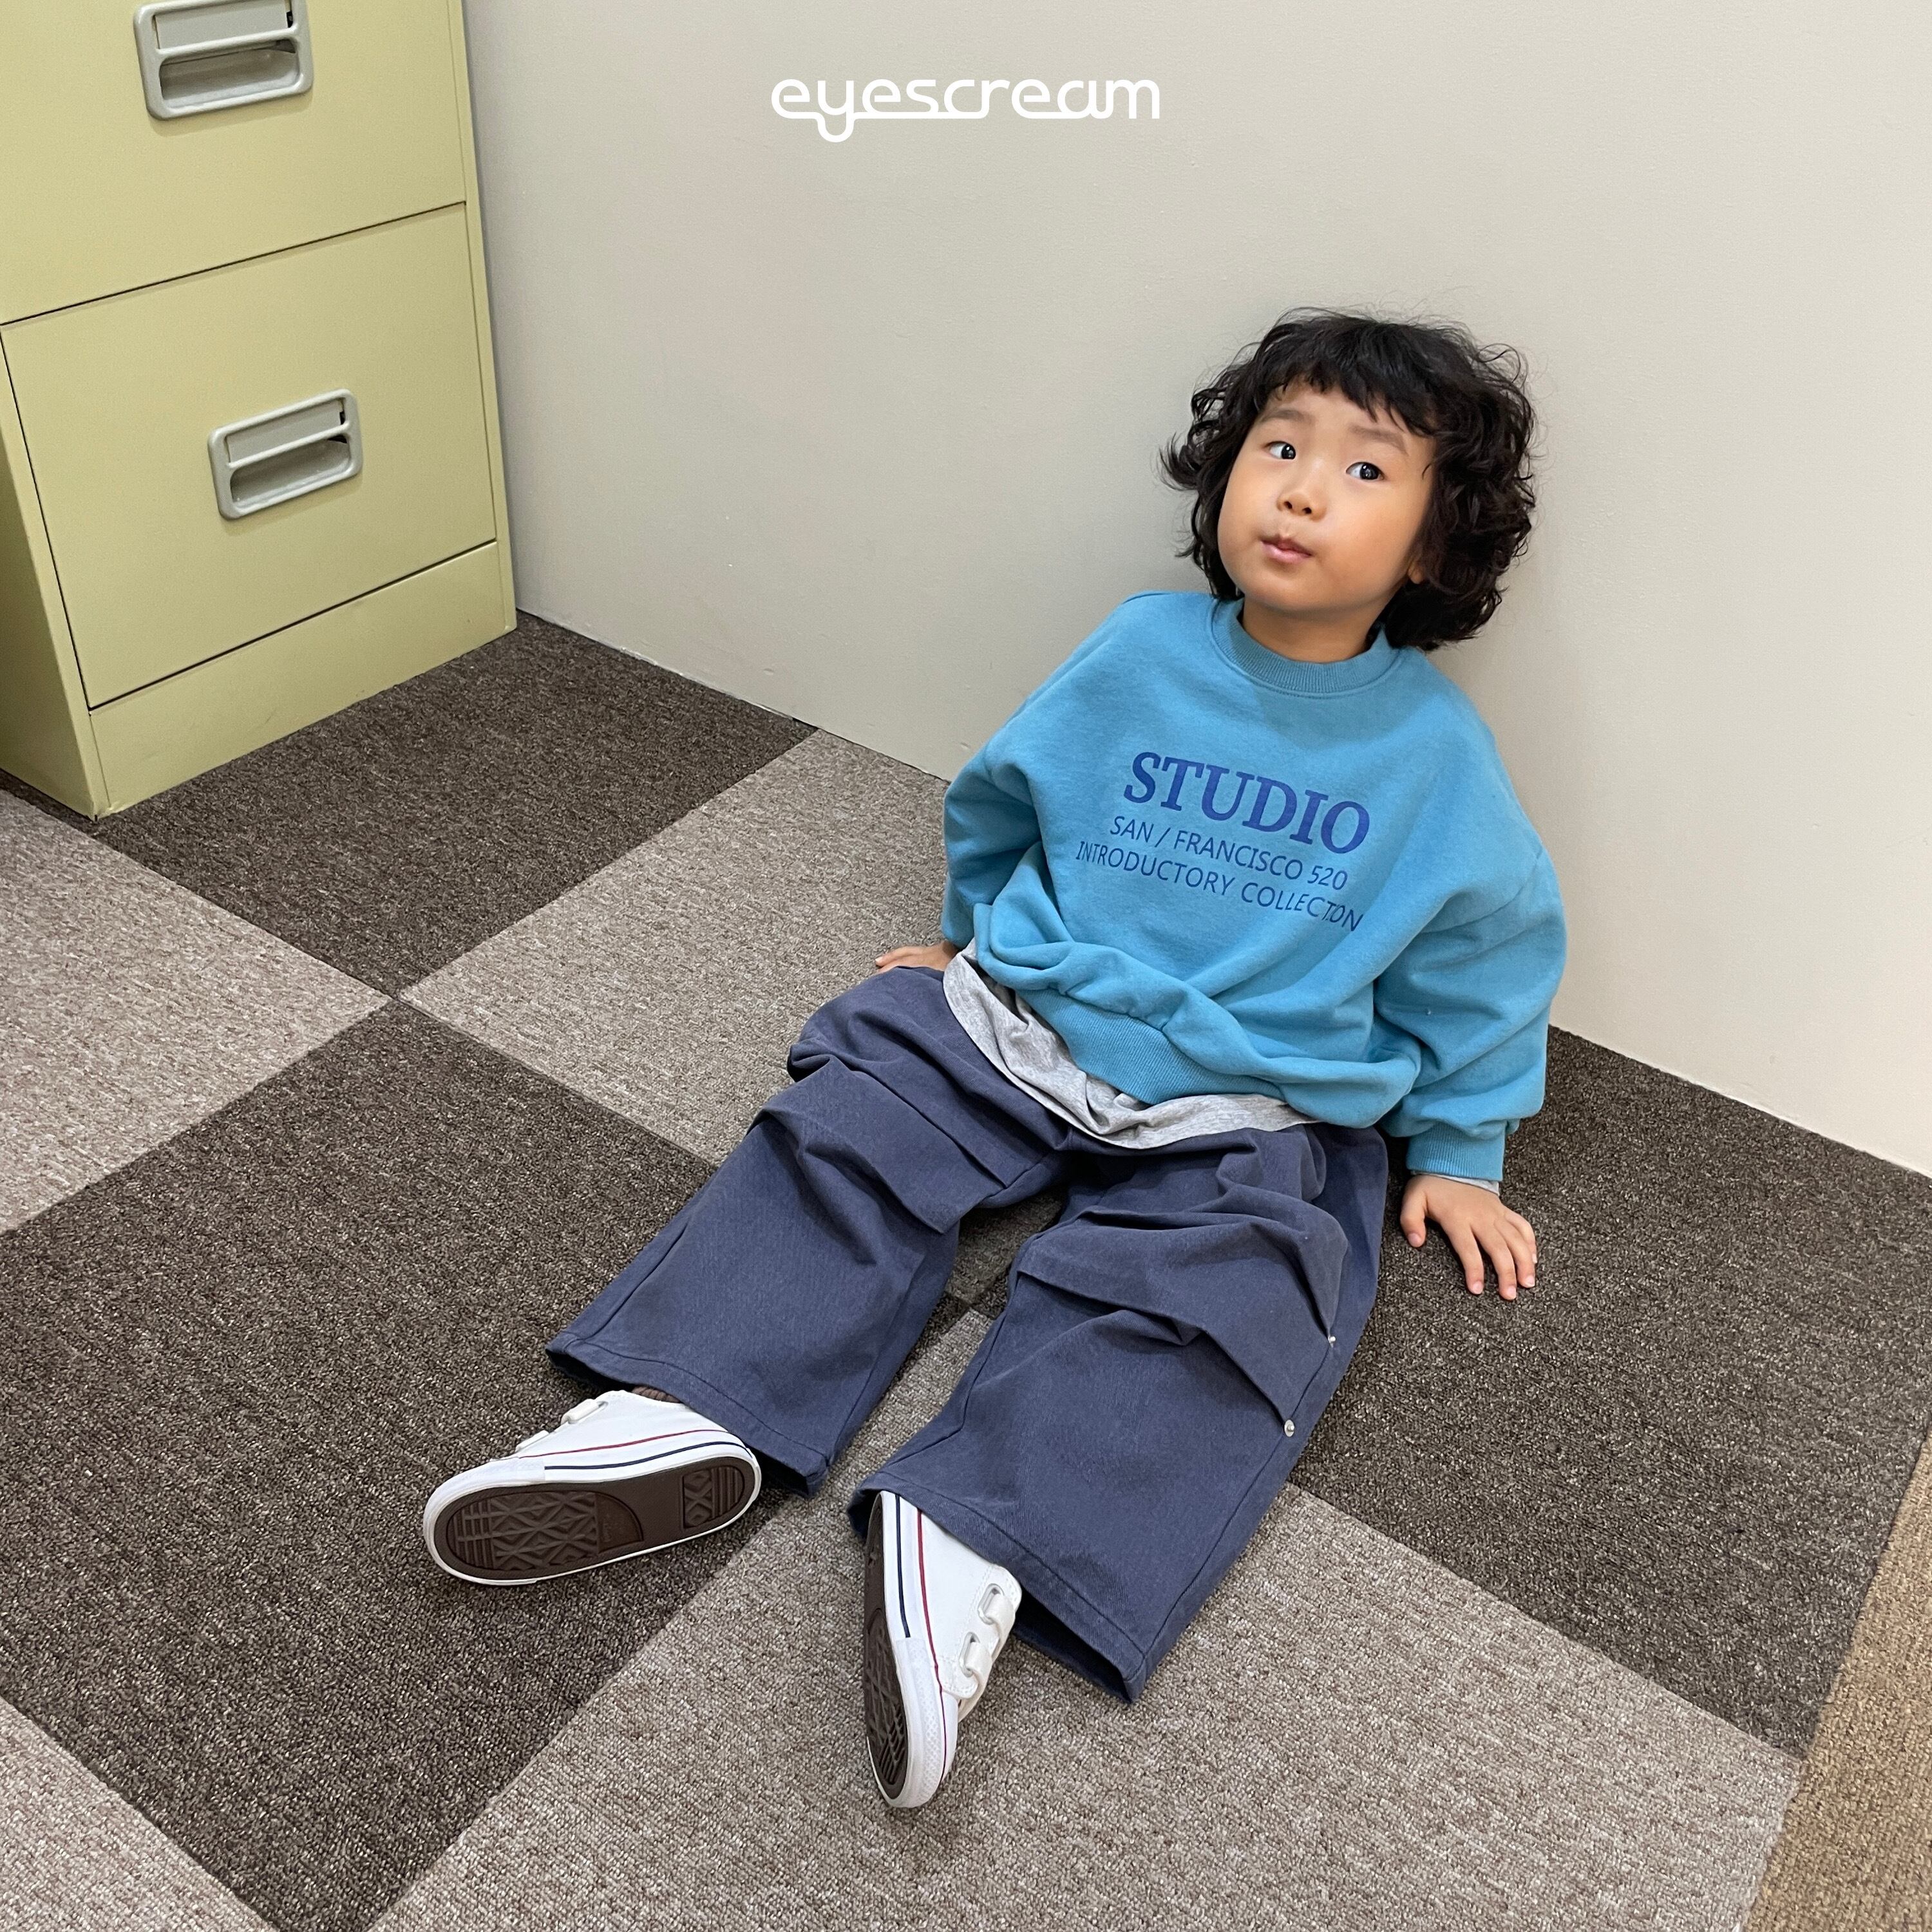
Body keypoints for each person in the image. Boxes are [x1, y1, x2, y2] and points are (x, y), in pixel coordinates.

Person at [421, 307, 1567, 1812]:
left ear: (1433, 544)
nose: (1299, 488)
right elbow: (1004, 797)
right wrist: (968, 944)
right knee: (855, 1129)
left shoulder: (1435, 755)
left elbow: (1488, 963)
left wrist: (1464, 1153)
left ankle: (971, 1537)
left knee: (1224, 1292)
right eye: (1278, 447)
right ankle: (687, 1405)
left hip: (1253, 1099)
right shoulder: (1140, 649)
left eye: (1363, 469)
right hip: (1028, 1011)